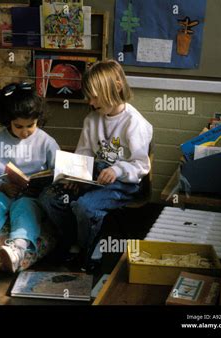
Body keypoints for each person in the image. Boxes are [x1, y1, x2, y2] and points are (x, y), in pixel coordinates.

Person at [39, 59, 153, 272]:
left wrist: (117, 170)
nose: (90, 102)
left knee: (86, 207)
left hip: (124, 184)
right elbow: (84, 152)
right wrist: (75, 177)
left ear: (116, 87)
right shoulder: (92, 119)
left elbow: (140, 165)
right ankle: (75, 241)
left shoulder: (134, 123)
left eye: (94, 96)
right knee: (49, 198)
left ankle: (88, 250)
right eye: (88, 97)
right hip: (94, 176)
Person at [0, 82, 60, 273]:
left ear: (38, 119)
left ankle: (17, 249)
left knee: (25, 208)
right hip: (4, 191)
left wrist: (44, 184)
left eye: (30, 125)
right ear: (7, 121)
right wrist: (0, 186)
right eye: (18, 126)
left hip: (32, 196)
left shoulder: (47, 142)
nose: (25, 132)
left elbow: (58, 172)